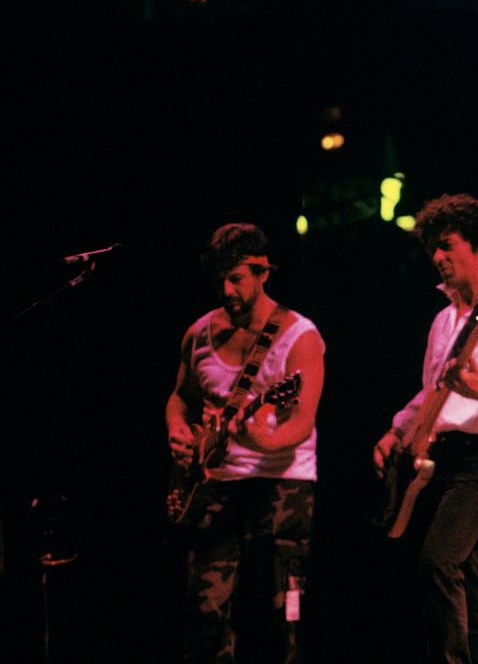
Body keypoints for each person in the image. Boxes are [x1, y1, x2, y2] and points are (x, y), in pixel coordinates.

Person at [373, 193, 478, 663]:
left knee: (438, 561)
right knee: (466, 583)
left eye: (447, 245)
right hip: (440, 457)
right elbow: (430, 392)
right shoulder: (442, 320)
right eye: (433, 248)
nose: (437, 257)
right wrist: (396, 431)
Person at [166, 222, 326, 664]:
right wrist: (178, 430)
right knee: (204, 610)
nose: (226, 290)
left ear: (263, 272)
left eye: (236, 278)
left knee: (279, 616)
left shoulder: (300, 336)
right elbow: (181, 398)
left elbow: (301, 424)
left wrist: (261, 439)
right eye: (219, 278)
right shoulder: (199, 333)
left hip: (282, 484)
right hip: (214, 485)